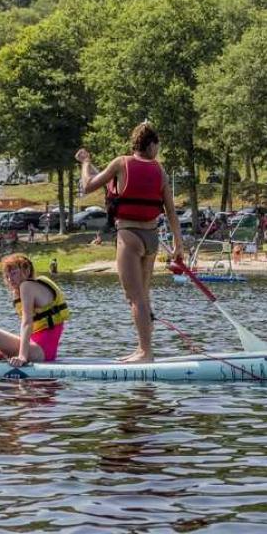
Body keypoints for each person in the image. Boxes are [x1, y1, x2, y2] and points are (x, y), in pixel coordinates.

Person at [77, 122, 183, 363]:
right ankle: (143, 349)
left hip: (130, 236)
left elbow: (87, 185)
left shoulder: (121, 163)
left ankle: (145, 352)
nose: (158, 150)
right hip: (152, 239)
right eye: (158, 145)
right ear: (151, 144)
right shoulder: (160, 170)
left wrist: (85, 162)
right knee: (143, 297)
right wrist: (179, 245)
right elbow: (172, 212)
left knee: (134, 298)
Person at [0, 253, 69, 366]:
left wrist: (22, 357)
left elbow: (27, 322)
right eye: (7, 276)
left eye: (14, 273)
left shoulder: (27, 286)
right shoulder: (26, 289)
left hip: (40, 352)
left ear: (27, 270)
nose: (10, 279)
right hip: (41, 350)